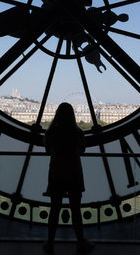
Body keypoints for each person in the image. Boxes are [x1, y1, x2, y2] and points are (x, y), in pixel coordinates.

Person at [42, 103, 95, 253]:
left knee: (54, 209)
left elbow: (48, 150)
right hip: (74, 172)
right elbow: (82, 150)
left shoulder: (52, 132)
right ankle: (80, 240)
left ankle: (50, 241)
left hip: (56, 172)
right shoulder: (77, 132)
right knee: (76, 210)